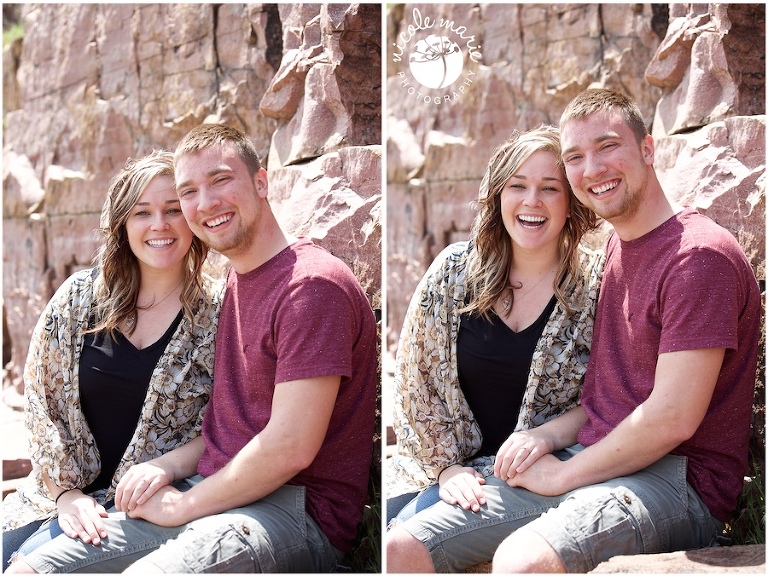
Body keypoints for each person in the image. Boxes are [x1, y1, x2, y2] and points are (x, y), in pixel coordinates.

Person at [390, 88, 762, 574]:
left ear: (648, 149)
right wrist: (545, 440)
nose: (593, 169)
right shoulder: (617, 253)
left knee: (522, 561)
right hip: (590, 455)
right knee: (402, 547)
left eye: (607, 146)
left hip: (675, 481)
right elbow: (602, 397)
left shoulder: (697, 258)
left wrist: (562, 475)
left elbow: (672, 419)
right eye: (575, 157)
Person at [7, 123, 379, 573]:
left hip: (291, 508)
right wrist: (163, 472)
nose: (205, 203)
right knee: (31, 568)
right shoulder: (240, 281)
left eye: (221, 180)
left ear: (261, 182)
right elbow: (223, 426)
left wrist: (183, 504)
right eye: (190, 191)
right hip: (208, 489)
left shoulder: (310, 286)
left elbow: (290, 447)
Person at [386, 126, 603, 556]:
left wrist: (547, 438)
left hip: (540, 472)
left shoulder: (596, 286)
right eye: (517, 186)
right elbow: (416, 383)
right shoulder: (453, 273)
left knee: (404, 543)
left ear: (571, 202)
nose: (532, 201)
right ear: (498, 195)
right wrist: (447, 471)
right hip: (443, 468)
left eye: (550, 188)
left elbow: (608, 398)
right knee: (389, 530)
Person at [1, 151, 221, 570]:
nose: (159, 224)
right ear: (122, 223)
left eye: (173, 209)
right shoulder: (78, 298)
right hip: (54, 495)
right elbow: (42, 405)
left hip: (146, 507)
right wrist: (66, 495)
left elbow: (224, 425)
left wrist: (166, 468)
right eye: (142, 212)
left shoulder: (219, 313)